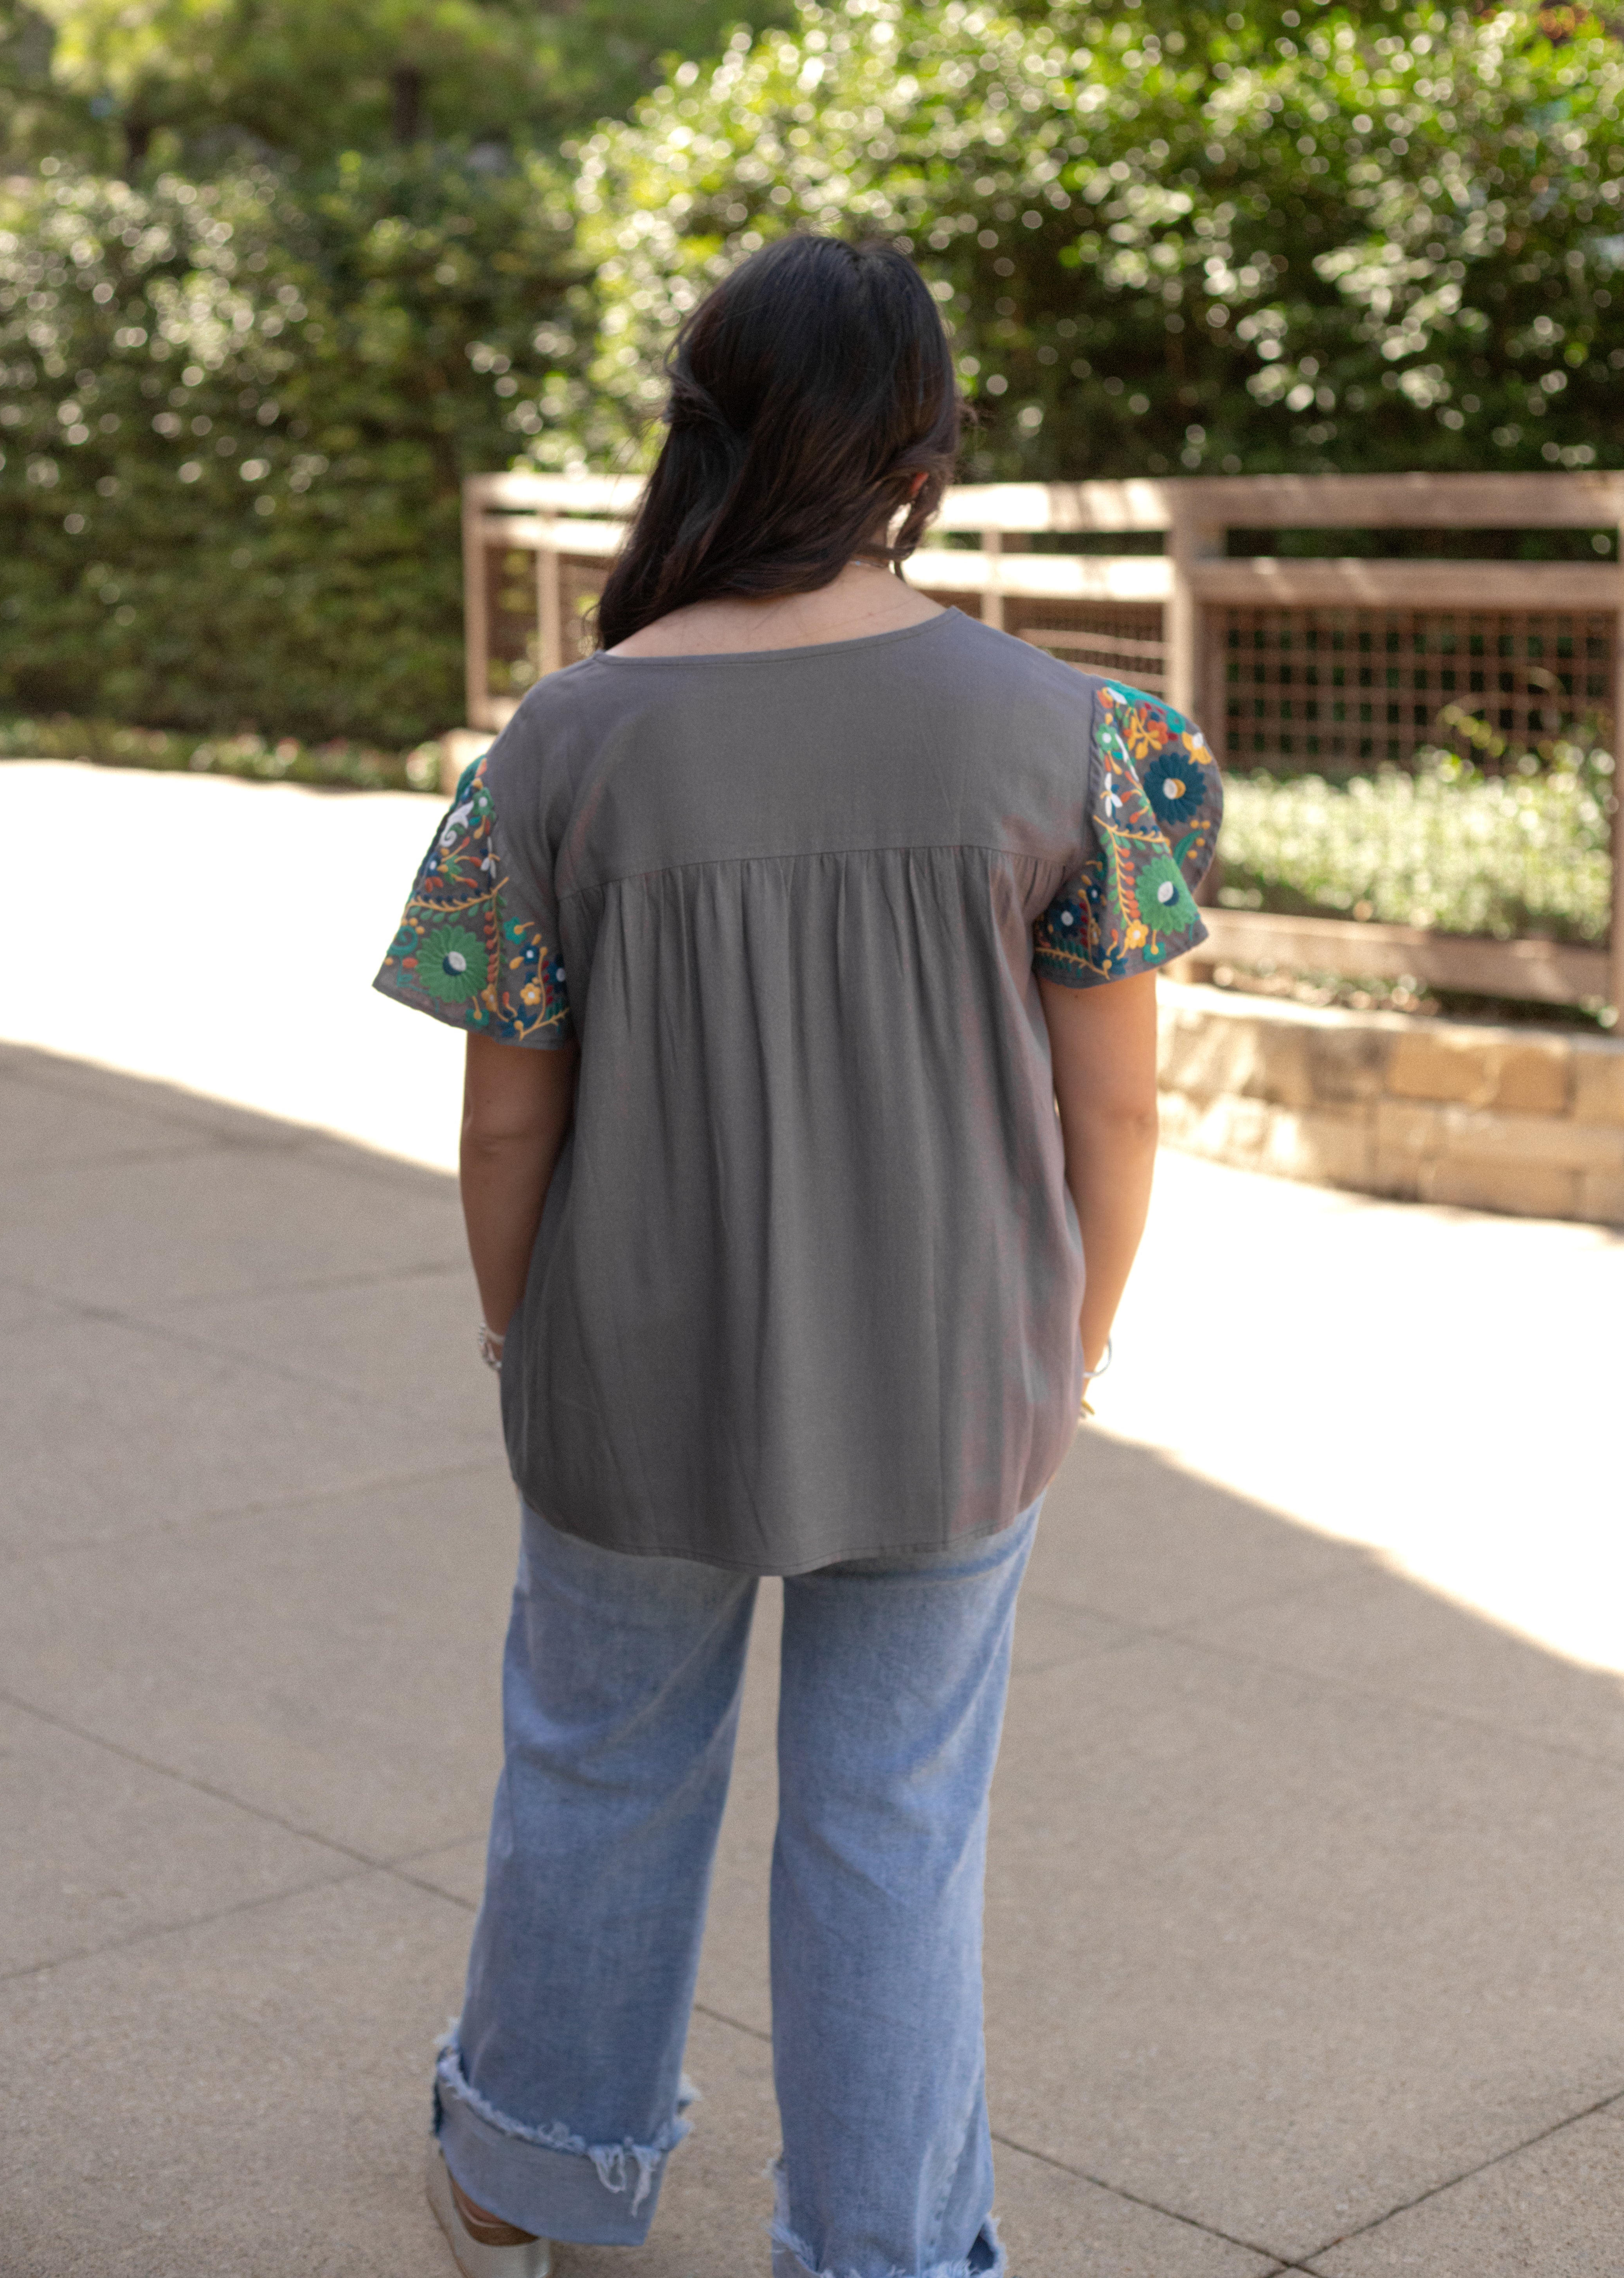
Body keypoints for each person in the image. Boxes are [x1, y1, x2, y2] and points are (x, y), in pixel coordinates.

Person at [374, 231, 1221, 2278]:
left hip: (631, 1374)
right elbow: (1117, 1112)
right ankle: (882, 2254)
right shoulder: (1071, 733)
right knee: (893, 1828)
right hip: (954, 1378)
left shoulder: (562, 741)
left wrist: (522, 1329)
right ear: (921, 456)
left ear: (706, 437)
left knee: (597, 1763)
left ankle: (528, 2175)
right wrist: (1072, 1339)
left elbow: (506, 1122)